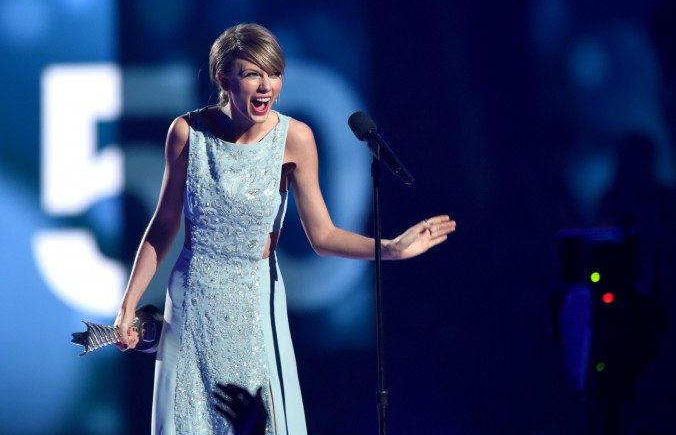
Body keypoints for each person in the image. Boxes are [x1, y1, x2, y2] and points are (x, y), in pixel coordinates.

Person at [113, 22, 456, 435]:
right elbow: (163, 225)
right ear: (224, 78)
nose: (266, 87)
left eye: (273, 74)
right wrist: (128, 304)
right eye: (252, 73)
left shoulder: (295, 138)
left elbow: (323, 236)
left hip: (255, 301)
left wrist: (393, 248)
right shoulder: (187, 133)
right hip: (193, 299)